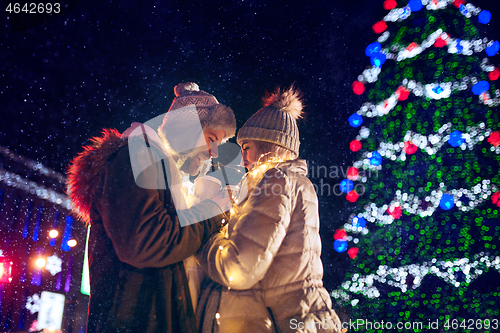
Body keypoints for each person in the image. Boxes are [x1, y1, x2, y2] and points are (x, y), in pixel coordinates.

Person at [67, 82, 236, 333]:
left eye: (219, 145)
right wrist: (210, 213)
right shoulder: (135, 158)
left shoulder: (164, 173)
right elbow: (146, 242)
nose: (213, 153)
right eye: (211, 138)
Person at [196, 86, 342, 333]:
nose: (242, 159)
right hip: (299, 316)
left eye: (246, 147)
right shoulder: (296, 182)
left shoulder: (275, 179)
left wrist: (205, 238)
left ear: (267, 144)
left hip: (272, 321)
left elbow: (239, 269)